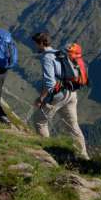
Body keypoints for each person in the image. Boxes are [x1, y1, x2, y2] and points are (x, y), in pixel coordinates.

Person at [31, 32, 90, 160]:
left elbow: (50, 83)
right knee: (72, 125)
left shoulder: (47, 58)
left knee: (39, 121)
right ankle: (84, 157)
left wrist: (41, 98)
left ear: (41, 43)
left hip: (59, 94)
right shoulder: (59, 53)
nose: (36, 47)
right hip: (71, 93)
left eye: (36, 44)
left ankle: (48, 154)